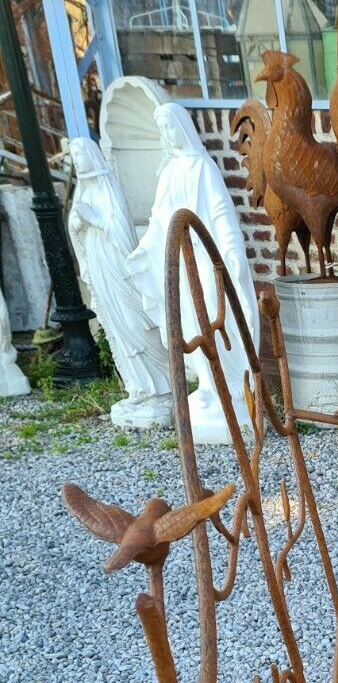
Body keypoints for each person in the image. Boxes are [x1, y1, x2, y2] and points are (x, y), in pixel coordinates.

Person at [128, 103, 259, 445]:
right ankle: (207, 386)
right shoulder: (170, 173)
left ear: (184, 129)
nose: (168, 136)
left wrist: (230, 252)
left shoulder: (203, 168)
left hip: (204, 259)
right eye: (163, 131)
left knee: (217, 320)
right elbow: (161, 219)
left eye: (172, 128)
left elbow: (221, 213)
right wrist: (146, 247)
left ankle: (230, 386)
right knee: (189, 324)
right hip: (182, 267)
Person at [67, 138, 172, 429]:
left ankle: (162, 390)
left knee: (134, 324)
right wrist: (77, 225)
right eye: (73, 157)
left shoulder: (108, 189)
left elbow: (122, 232)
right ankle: (139, 389)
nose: (78, 162)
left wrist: (97, 220)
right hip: (101, 272)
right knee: (118, 331)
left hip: (119, 271)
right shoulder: (82, 191)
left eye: (81, 155)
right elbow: (76, 231)